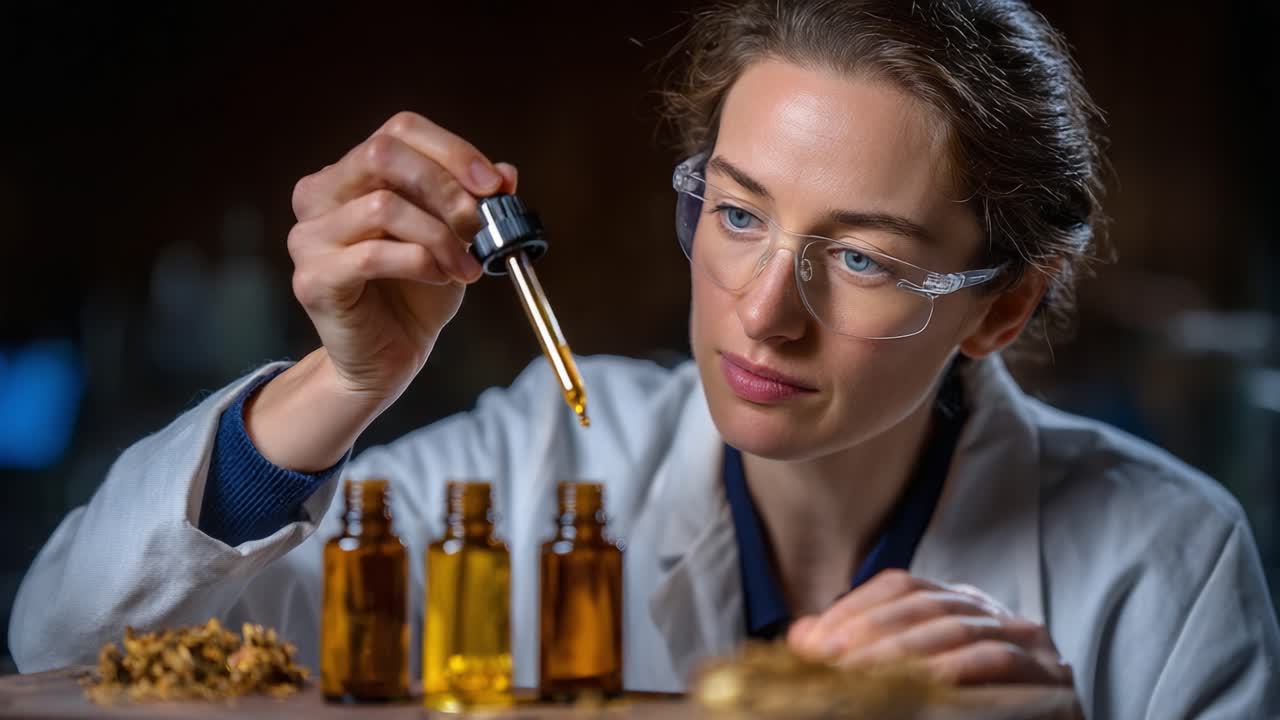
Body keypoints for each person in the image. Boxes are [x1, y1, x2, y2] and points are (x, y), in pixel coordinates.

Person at [10, 1, 1279, 716]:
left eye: (863, 257)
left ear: (1003, 307)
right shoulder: (549, 457)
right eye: (735, 215)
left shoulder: (1161, 566)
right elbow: (62, 645)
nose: (761, 313)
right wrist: (340, 384)